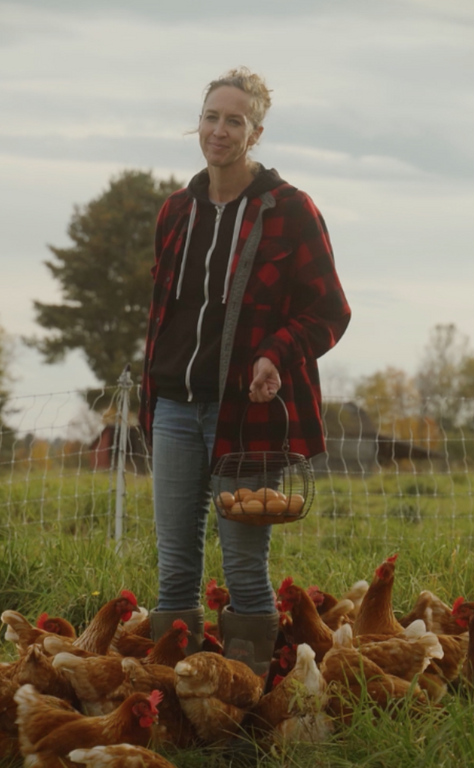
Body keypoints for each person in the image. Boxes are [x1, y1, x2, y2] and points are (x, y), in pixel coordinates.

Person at [139, 67, 351, 675]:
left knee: (242, 567)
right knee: (176, 566)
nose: (220, 131)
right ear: (198, 123)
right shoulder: (176, 212)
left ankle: (249, 700)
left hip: (246, 415)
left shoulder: (290, 210)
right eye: (211, 117)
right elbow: (165, 313)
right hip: (176, 407)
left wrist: (274, 354)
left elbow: (329, 310)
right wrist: (152, 394)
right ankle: (182, 700)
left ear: (256, 133)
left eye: (235, 120)